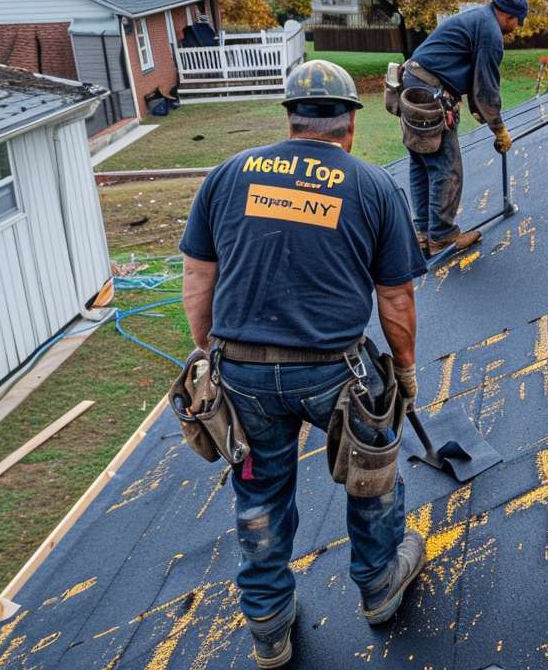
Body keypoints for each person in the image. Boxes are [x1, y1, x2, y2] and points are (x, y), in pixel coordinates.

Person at [180, 60, 428, 668]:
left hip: (243, 373)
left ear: (291, 117)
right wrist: (403, 372)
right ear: (350, 125)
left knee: (259, 492)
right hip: (334, 372)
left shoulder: (228, 175)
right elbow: (396, 297)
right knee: (371, 475)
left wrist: (212, 356)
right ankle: (378, 585)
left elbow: (197, 279)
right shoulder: (371, 185)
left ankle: (269, 626)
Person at [402, 0, 526, 256]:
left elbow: (473, 81)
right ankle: (442, 237)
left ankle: (422, 233)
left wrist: (478, 112)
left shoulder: (477, 18)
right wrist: (498, 128)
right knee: (447, 167)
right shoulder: (490, 33)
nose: (516, 28)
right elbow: (486, 88)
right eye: (518, 21)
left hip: (412, 81)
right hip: (431, 91)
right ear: (508, 15)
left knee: (422, 161)